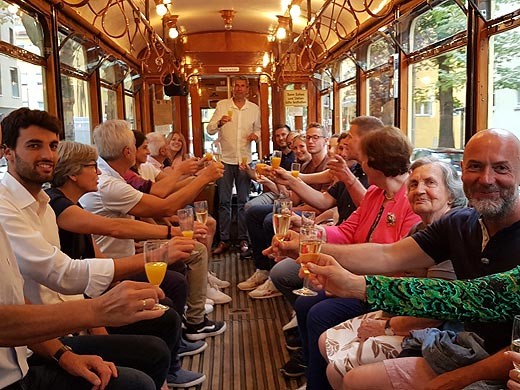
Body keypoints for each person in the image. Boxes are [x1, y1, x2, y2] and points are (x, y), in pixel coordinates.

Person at [291, 128, 520, 389]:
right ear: (463, 172)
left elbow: (467, 297)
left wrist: (359, 288)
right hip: (466, 347)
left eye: (501, 168)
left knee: (351, 371)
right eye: (475, 167)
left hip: (497, 363)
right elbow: (388, 254)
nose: (486, 179)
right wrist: (309, 250)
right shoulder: (460, 222)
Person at [271, 126, 422, 387]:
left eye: (363, 160)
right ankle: (313, 372)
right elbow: (347, 231)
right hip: (357, 274)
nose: (360, 166)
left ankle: (319, 383)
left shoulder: (411, 201)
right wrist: (310, 234)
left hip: (382, 289)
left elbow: (397, 260)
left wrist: (345, 280)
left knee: (318, 311)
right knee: (305, 303)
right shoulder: (375, 194)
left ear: (375, 163)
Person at [320, 157, 466, 389]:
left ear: (451, 194)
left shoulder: (452, 233)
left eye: (430, 183)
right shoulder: (418, 229)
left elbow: (436, 310)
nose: (420, 190)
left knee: (339, 368)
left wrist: (387, 325)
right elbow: (386, 260)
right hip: (401, 312)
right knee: (326, 340)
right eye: (414, 184)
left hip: (431, 330)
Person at [79, 119, 227, 342]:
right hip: (113, 264)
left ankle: (185, 322)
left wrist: (169, 230)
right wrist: (204, 178)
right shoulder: (110, 184)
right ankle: (192, 324)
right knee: (191, 254)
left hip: (123, 251)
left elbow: (132, 218)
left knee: (180, 264)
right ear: (129, 151)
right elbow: (162, 203)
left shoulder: (117, 174)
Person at [239, 122, 332, 300]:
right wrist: (274, 179)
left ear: (325, 141)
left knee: (270, 218)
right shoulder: (305, 166)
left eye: (315, 138)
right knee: (253, 212)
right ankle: (263, 269)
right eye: (308, 138)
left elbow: (322, 205)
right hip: (301, 208)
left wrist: (286, 210)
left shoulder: (329, 167)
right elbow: (294, 198)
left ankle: (274, 276)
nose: (310, 142)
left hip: (316, 214)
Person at [207, 75, 261, 256]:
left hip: (244, 161)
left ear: (247, 89)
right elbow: (210, 129)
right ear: (233, 89)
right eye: (236, 86)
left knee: (244, 202)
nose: (239, 89)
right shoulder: (223, 105)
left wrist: (256, 135)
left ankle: (243, 239)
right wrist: (219, 122)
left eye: (242, 86)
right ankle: (224, 240)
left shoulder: (254, 109)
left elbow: (259, 129)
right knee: (224, 202)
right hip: (225, 159)